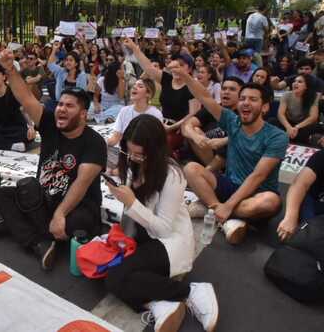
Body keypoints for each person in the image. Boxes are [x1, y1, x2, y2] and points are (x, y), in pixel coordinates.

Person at [0, 49, 106, 270]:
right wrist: (9, 69)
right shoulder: (50, 123)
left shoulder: (94, 142)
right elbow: (25, 97)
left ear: (83, 114)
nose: (61, 109)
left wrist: (61, 214)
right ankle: (37, 241)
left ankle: (19, 225)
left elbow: (81, 186)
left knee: (72, 225)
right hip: (42, 199)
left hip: (77, 207)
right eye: (60, 104)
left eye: (69, 106)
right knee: (2, 194)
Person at [104, 115, 218, 332]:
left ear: (155, 150)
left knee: (116, 278)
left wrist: (131, 202)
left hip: (168, 241)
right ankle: (159, 302)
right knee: (116, 277)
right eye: (131, 152)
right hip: (144, 238)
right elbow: (133, 216)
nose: (135, 158)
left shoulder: (172, 174)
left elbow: (164, 228)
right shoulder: (132, 164)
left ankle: (189, 291)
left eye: (141, 154)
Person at [179, 69, 288, 245]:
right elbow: (205, 98)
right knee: (191, 168)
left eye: (253, 99)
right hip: (229, 185)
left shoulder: (277, 136)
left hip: (256, 194)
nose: (245, 103)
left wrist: (228, 206)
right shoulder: (232, 121)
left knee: (271, 202)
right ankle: (225, 217)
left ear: (265, 107)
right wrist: (185, 76)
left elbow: (258, 176)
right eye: (243, 98)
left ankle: (212, 207)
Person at [121, 37, 199, 152]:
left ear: (190, 69)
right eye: (175, 65)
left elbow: (193, 113)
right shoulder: (167, 79)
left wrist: (172, 127)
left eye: (181, 66)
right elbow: (148, 67)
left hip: (178, 129)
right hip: (160, 123)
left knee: (155, 146)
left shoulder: (192, 86)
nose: (176, 69)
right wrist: (134, 48)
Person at [181, 77, 243, 170]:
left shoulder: (243, 115)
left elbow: (245, 135)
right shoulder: (213, 108)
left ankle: (209, 172)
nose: (226, 92)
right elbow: (186, 126)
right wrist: (195, 136)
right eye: (224, 88)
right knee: (194, 130)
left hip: (225, 161)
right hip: (199, 153)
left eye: (232, 89)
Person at [277, 150, 324, 241]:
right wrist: (290, 218)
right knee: (308, 234)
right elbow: (300, 184)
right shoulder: (321, 156)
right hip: (314, 202)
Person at [0, 63, 31, 152]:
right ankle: (11, 146)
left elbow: (24, 110)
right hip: (0, 127)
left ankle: (5, 144)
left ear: (4, 76)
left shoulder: (13, 92)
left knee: (25, 134)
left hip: (15, 126)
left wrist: (31, 127)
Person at [107, 79, 162, 147]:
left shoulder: (156, 114)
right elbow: (116, 137)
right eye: (134, 85)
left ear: (148, 94)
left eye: (140, 86)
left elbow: (157, 141)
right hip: (124, 150)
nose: (134, 87)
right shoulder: (124, 111)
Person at [271, 74, 321, 145]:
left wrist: (296, 127)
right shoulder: (286, 95)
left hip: (303, 125)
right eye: (295, 81)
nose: (295, 83)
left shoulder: (313, 96)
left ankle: (291, 138)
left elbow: (313, 117)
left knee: (315, 128)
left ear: (306, 86)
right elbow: (280, 114)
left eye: (300, 82)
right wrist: (288, 127)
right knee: (272, 121)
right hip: (289, 123)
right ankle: (289, 137)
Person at [47, 42, 88, 111]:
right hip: (61, 103)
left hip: (75, 105)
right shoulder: (61, 71)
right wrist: (54, 49)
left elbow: (82, 93)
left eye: (71, 60)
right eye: (66, 60)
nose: (68, 62)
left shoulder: (82, 75)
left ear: (76, 64)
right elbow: (50, 65)